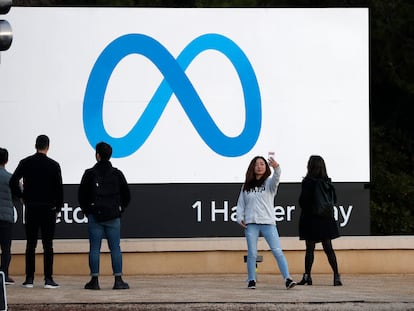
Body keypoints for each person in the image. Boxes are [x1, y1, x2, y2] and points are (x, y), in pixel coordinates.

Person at [9, 135, 63, 289]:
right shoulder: (54, 165)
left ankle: (29, 279)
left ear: (35, 145)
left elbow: (13, 181)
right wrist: (58, 208)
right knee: (48, 245)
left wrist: (21, 196)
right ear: (48, 146)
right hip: (48, 209)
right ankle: (48, 279)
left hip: (31, 207)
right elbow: (59, 189)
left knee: (30, 244)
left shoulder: (26, 163)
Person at [236, 155, 297, 290]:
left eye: (262, 164)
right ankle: (251, 280)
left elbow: (277, 178)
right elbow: (241, 203)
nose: (259, 166)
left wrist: (277, 167)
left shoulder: (269, 183)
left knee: (277, 251)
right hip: (251, 223)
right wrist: (239, 216)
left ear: (266, 167)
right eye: (257, 164)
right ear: (252, 167)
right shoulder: (246, 185)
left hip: (268, 222)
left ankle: (287, 278)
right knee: (252, 252)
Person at [78, 141, 131, 290]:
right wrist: (120, 209)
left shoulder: (89, 173)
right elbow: (127, 195)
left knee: (94, 248)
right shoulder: (117, 174)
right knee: (115, 248)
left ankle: (94, 281)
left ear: (97, 155)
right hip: (113, 217)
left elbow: (81, 195)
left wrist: (87, 210)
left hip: (95, 216)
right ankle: (118, 280)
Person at [297, 155, 342, 286]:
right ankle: (336, 276)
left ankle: (307, 276)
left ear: (310, 166)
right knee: (328, 248)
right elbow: (334, 200)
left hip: (311, 219)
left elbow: (302, 202)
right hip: (326, 219)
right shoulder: (327, 182)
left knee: (310, 248)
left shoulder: (308, 182)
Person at [0, 147, 15, 285]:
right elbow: (18, 195)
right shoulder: (10, 177)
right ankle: (4, 275)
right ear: (7, 160)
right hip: (5, 218)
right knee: (6, 248)